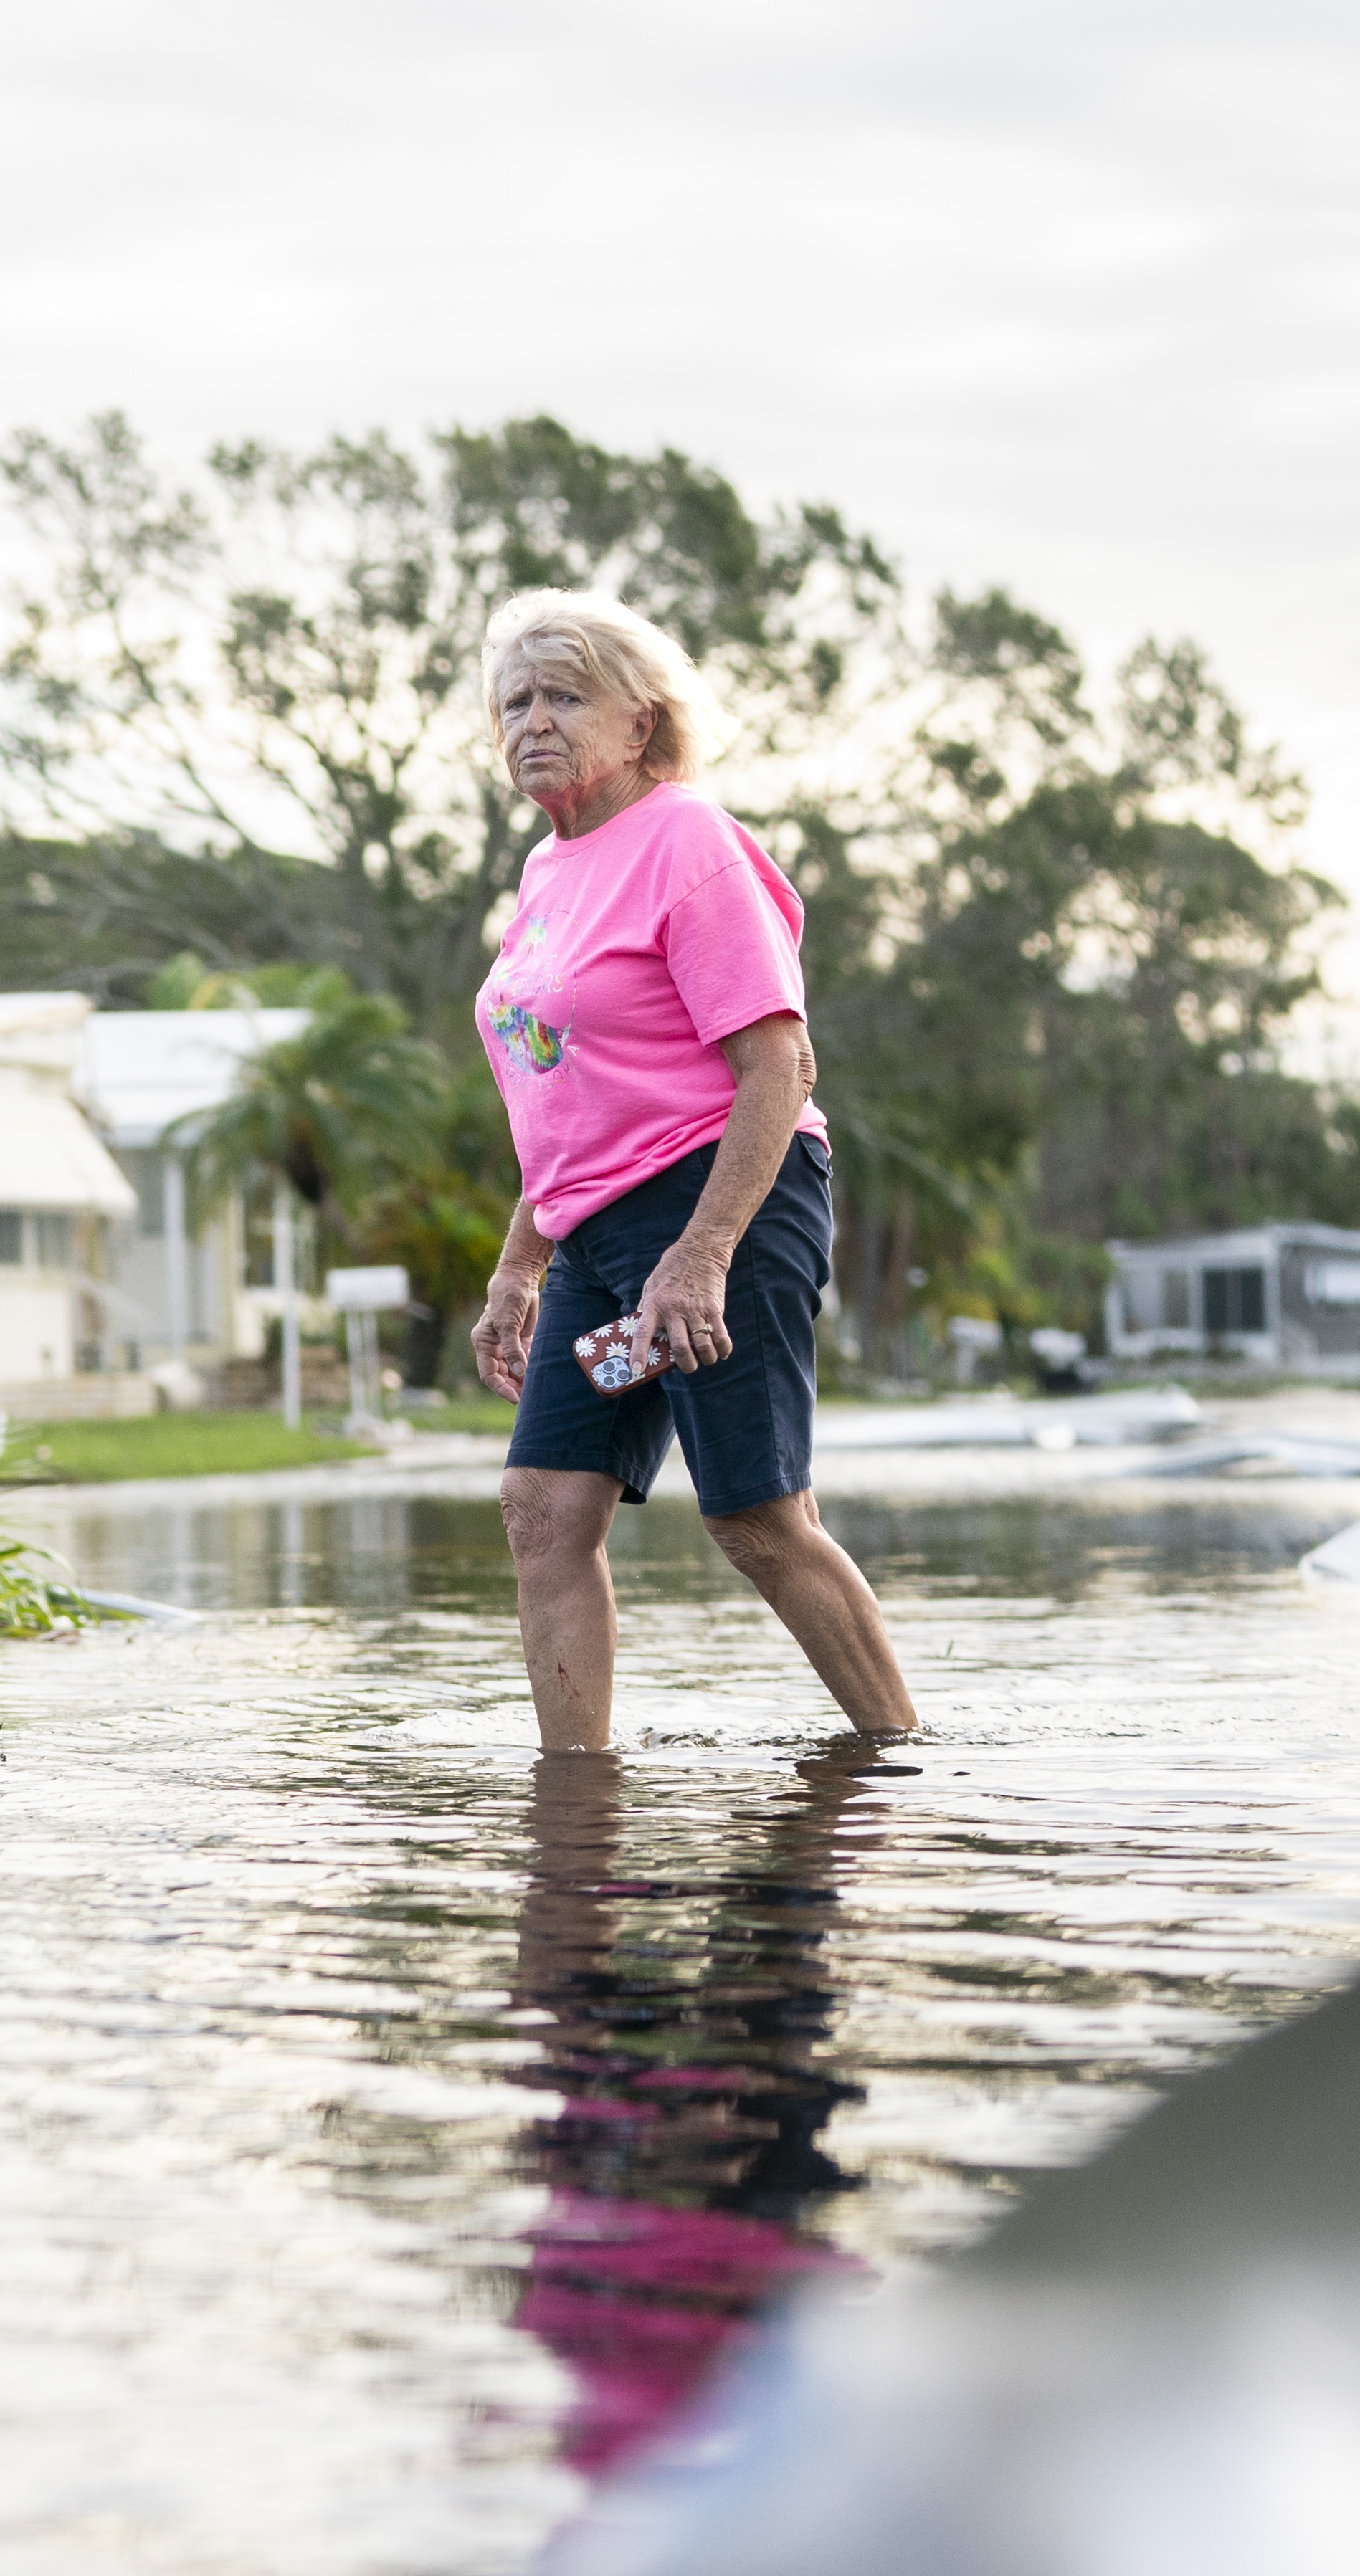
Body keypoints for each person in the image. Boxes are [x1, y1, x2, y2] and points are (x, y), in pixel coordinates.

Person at [467, 590, 916, 1752]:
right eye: (514, 700)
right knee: (541, 1511)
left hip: (724, 1198)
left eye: (565, 696)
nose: (533, 721)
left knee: (757, 1517)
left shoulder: (687, 841)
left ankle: (902, 1763)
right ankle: (576, 1798)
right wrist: (516, 1266)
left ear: (641, 722)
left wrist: (700, 1252)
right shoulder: (544, 874)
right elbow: (561, 1093)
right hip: (597, 1230)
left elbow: (779, 1061)